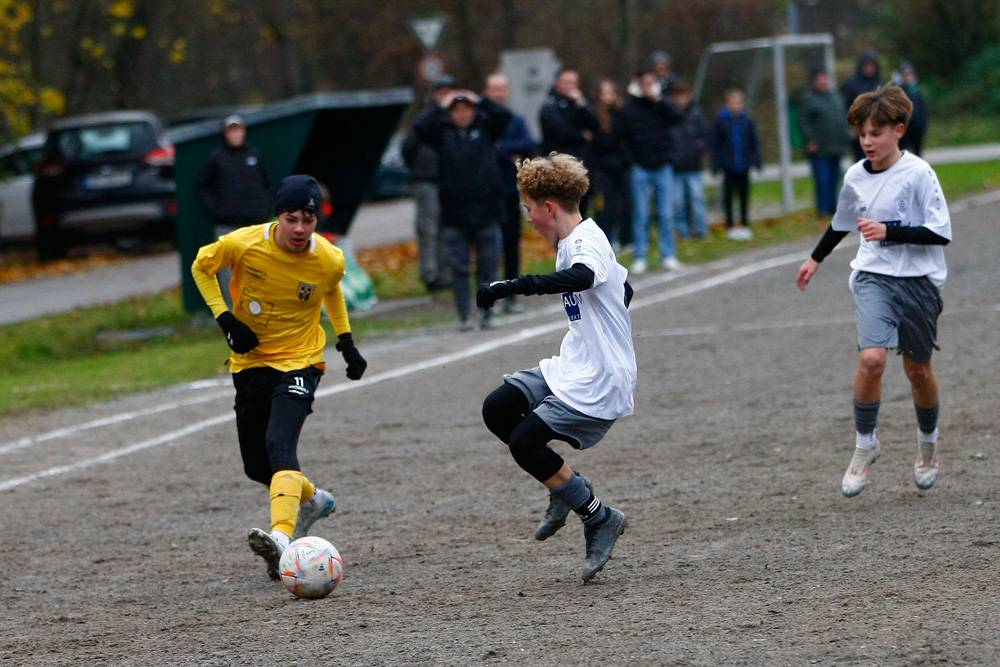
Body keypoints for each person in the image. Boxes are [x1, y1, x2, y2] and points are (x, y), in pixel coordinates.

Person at [190, 174, 369, 580]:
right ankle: (313, 500)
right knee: (258, 466)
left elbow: (331, 288)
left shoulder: (328, 257)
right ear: (279, 216)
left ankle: (284, 542)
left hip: (301, 361)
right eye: (292, 219)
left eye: (309, 219)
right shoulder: (244, 243)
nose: (301, 229)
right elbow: (202, 267)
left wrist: (346, 342)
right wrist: (225, 320)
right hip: (250, 363)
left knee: (279, 444)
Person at [477, 152, 635, 583]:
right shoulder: (578, 239)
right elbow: (625, 286)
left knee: (526, 443)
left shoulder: (584, 243)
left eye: (528, 208)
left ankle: (597, 515)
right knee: (498, 409)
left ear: (548, 207)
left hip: (600, 378)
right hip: (575, 361)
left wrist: (513, 285)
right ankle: (565, 487)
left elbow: (583, 277)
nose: (527, 218)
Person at [795, 85, 951, 498]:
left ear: (899, 131)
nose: (868, 141)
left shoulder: (919, 174)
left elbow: (940, 233)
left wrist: (889, 230)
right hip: (873, 276)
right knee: (872, 358)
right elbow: (842, 221)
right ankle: (866, 445)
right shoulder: (855, 176)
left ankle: (928, 442)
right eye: (862, 134)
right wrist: (815, 259)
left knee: (918, 369)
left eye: (876, 133)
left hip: (919, 282)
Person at [414, 87, 512, 331]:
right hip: (455, 215)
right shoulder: (442, 135)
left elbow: (504, 115)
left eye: (467, 108)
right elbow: (419, 127)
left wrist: (480, 98)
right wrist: (439, 104)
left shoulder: (487, 129)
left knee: (488, 267)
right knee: (459, 269)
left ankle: (486, 312)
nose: (462, 114)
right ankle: (465, 314)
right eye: (457, 110)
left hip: (487, 212)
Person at [197, 114, 273, 308]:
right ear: (225, 133)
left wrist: (264, 208)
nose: (236, 134)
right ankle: (235, 316)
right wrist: (218, 210)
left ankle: (261, 313)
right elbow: (203, 186)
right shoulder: (217, 158)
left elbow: (266, 184)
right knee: (229, 274)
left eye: (238, 129)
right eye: (231, 130)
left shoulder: (254, 155)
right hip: (228, 226)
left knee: (259, 270)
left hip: (255, 225)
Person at [620, 67, 685, 274]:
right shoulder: (630, 110)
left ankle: (669, 255)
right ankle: (640, 256)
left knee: (666, 214)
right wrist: (632, 161)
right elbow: (623, 139)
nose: (648, 87)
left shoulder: (661, 105)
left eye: (651, 83)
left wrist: (660, 101)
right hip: (640, 168)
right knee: (641, 214)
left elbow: (678, 118)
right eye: (644, 83)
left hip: (663, 166)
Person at [483, 72, 537, 314]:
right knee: (489, 248)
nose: (499, 93)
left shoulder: (515, 119)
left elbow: (528, 145)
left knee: (512, 245)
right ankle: (490, 294)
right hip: (488, 194)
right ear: (487, 91)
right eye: (494, 89)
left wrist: (502, 150)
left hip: (510, 191)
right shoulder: (481, 120)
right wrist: (507, 154)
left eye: (502, 89)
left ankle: (511, 295)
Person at [402, 75, 455, 293]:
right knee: (429, 228)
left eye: (448, 90)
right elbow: (408, 149)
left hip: (448, 180)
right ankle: (430, 273)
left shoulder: (455, 116)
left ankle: (446, 272)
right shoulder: (426, 118)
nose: (445, 94)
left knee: (446, 228)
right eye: (440, 90)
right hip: (427, 179)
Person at [539, 68, 600, 214]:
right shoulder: (550, 106)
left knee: (581, 210)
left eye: (573, 82)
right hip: (557, 165)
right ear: (557, 84)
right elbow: (558, 131)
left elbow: (596, 126)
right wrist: (581, 136)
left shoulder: (581, 105)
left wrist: (581, 104)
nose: (570, 86)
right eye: (566, 82)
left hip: (580, 166)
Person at [798, 66, 850, 218]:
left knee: (835, 179)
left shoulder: (835, 97)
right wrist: (809, 140)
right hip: (819, 148)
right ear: (814, 80)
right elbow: (803, 122)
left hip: (836, 146)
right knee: (822, 179)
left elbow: (841, 117)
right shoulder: (809, 99)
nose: (823, 81)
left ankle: (833, 207)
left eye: (825, 77)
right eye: (820, 78)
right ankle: (822, 209)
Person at [711, 88, 762, 240]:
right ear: (727, 104)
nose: (735, 105)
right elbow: (717, 145)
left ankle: (745, 224)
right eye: (732, 102)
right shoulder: (721, 122)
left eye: (738, 102)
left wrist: (757, 160)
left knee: (744, 196)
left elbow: (754, 142)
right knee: (728, 197)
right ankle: (730, 226)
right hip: (728, 166)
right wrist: (716, 164)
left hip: (744, 165)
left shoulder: (747, 121)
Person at [589, 78, 633, 253]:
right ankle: (606, 241)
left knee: (626, 204)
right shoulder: (594, 116)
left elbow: (628, 139)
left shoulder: (622, 114)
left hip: (622, 166)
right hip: (603, 169)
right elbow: (599, 142)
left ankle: (626, 240)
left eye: (611, 92)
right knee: (605, 208)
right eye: (604, 93)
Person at [667, 79, 710, 239]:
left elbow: (704, 136)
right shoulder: (669, 117)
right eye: (677, 97)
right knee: (678, 203)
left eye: (683, 96)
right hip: (676, 167)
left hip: (693, 166)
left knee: (697, 199)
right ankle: (683, 231)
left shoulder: (696, 114)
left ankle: (701, 230)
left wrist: (697, 150)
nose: (680, 100)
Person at [841, 52, 883, 161]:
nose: (870, 69)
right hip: (858, 129)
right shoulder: (851, 83)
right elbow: (845, 106)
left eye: (872, 66)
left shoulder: (879, 82)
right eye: (867, 66)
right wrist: (851, 126)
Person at [894, 63, 929, 157]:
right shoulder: (897, 90)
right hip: (903, 128)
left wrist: (922, 124)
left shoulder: (916, 90)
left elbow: (922, 109)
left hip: (916, 127)